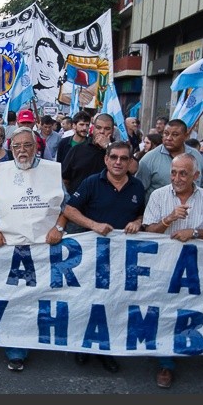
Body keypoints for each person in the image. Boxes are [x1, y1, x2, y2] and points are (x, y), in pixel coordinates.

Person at [0, 127, 68, 372]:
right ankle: (16, 350)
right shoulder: (1, 173)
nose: (22, 151)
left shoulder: (53, 171)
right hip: (12, 248)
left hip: (45, 248)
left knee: (42, 298)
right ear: (10, 150)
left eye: (27, 145)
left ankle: (42, 339)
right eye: (17, 146)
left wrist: (60, 228)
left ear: (37, 147)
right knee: (15, 301)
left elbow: (68, 205)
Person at [61, 140, 145, 375]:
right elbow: (69, 209)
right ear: (106, 159)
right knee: (87, 301)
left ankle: (106, 350)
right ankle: (82, 345)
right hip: (91, 255)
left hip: (121, 258)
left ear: (130, 162)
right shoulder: (91, 182)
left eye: (124, 158)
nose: (118, 162)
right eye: (114, 157)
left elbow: (141, 214)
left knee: (114, 303)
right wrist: (93, 225)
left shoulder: (138, 187)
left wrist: (138, 222)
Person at [142, 153, 203, 388]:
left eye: (183, 173)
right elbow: (148, 233)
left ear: (195, 176)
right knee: (164, 311)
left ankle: (189, 346)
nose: (177, 178)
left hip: (194, 268)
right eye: (174, 172)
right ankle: (165, 363)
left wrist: (194, 232)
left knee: (187, 311)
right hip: (162, 266)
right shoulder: (158, 196)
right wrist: (169, 219)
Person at [136, 118, 203, 204]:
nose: (168, 138)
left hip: (193, 212)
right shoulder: (148, 159)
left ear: (186, 136)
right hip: (160, 214)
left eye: (175, 135)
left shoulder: (196, 156)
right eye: (166, 134)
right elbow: (139, 191)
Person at [61, 113, 115, 197]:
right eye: (98, 128)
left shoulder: (118, 150)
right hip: (78, 203)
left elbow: (133, 168)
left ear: (112, 131)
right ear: (93, 129)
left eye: (107, 128)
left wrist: (108, 147)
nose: (102, 131)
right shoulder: (77, 150)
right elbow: (65, 180)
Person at [33, 37, 65, 112]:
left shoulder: (69, 100)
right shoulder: (28, 96)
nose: (43, 69)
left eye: (49, 64)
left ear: (61, 70)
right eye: (38, 60)